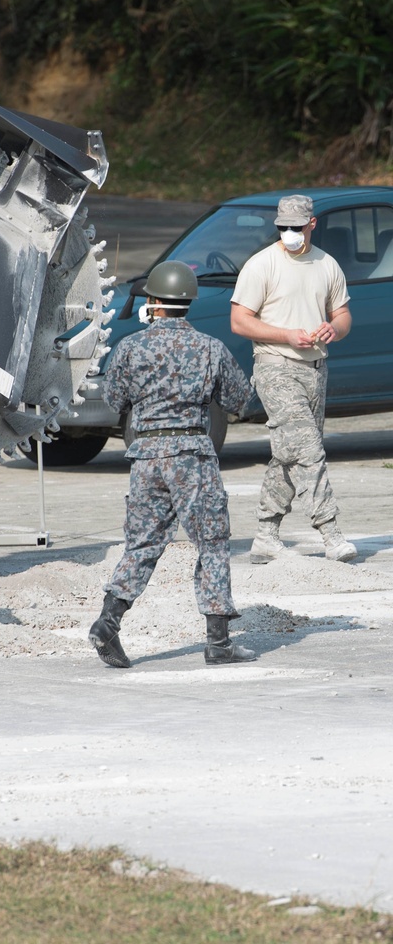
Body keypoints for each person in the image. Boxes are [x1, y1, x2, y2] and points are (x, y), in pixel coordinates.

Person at [89, 261, 252, 669]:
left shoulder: (129, 347)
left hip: (145, 458)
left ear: (154, 303)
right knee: (211, 543)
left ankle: (108, 623)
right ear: (188, 302)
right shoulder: (211, 348)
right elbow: (239, 401)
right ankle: (218, 642)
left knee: (142, 545)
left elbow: (113, 400)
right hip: (192, 458)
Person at [230, 193, 355, 564]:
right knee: (309, 450)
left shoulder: (327, 265)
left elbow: (344, 315)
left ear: (312, 225)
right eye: (282, 227)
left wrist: (334, 329)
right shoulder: (260, 265)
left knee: (290, 452)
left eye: (296, 227)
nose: (289, 233)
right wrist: (286, 335)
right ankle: (331, 532)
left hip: (315, 371)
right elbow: (239, 321)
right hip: (275, 366)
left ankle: (266, 534)